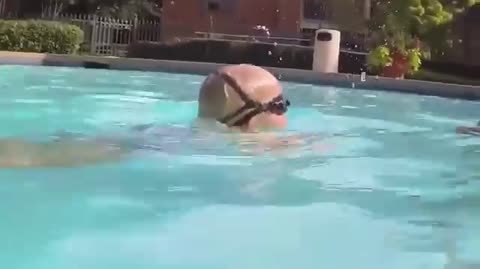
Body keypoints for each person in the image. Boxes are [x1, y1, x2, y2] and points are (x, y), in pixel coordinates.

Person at [0, 64, 301, 169]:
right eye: (280, 104)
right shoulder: (236, 144)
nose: (286, 109)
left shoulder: (194, 133)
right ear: (251, 117)